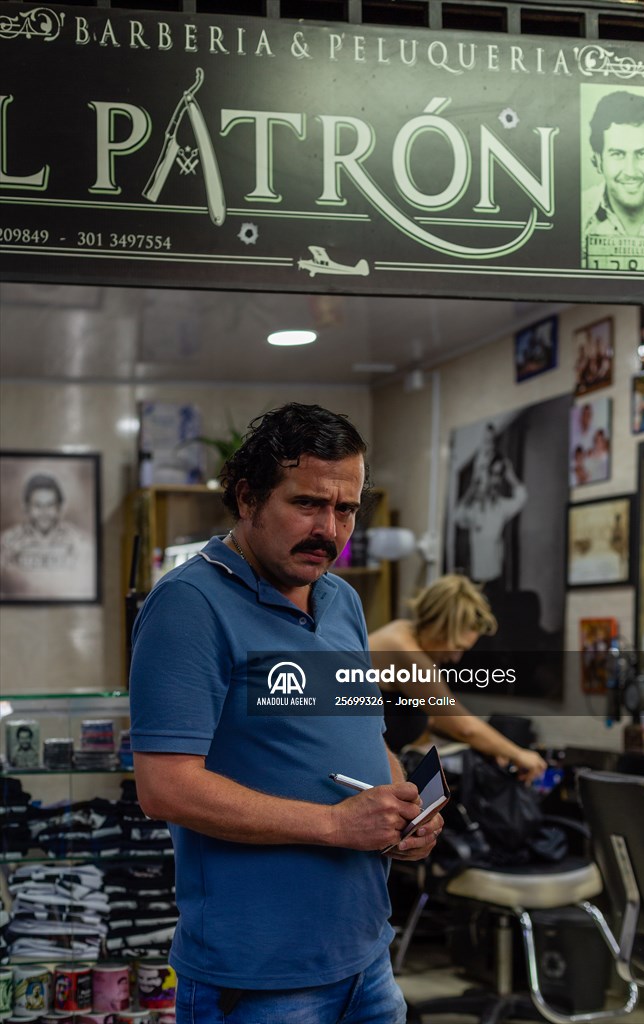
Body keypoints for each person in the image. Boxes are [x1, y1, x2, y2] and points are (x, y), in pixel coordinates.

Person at [129, 403, 442, 1024]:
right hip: (259, 978)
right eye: (307, 504)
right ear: (248, 499)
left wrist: (404, 807)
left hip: (365, 958)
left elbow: (364, 732)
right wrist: (336, 826)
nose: (330, 528)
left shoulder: (342, 600)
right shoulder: (188, 605)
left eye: (346, 509)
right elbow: (164, 787)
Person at [369, 575, 547, 783]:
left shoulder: (403, 629)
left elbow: (436, 718)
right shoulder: (405, 652)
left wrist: (494, 747)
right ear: (440, 626)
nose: (455, 658)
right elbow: (461, 726)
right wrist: (519, 754)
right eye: (457, 646)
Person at [582, 91, 644, 267]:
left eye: (642, 154)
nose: (631, 171)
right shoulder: (574, 215)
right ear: (597, 161)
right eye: (617, 154)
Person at [0, 472, 94, 600]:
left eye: (50, 505)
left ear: (60, 507)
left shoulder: (80, 543)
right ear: (26, 507)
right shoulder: (7, 543)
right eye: (38, 506)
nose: (44, 512)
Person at [453, 449, 527, 592]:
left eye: (498, 475)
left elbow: (521, 498)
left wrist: (510, 475)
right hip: (475, 580)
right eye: (491, 474)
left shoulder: (501, 507)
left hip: (496, 579)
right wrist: (473, 489)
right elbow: (457, 516)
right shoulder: (474, 509)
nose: (494, 481)